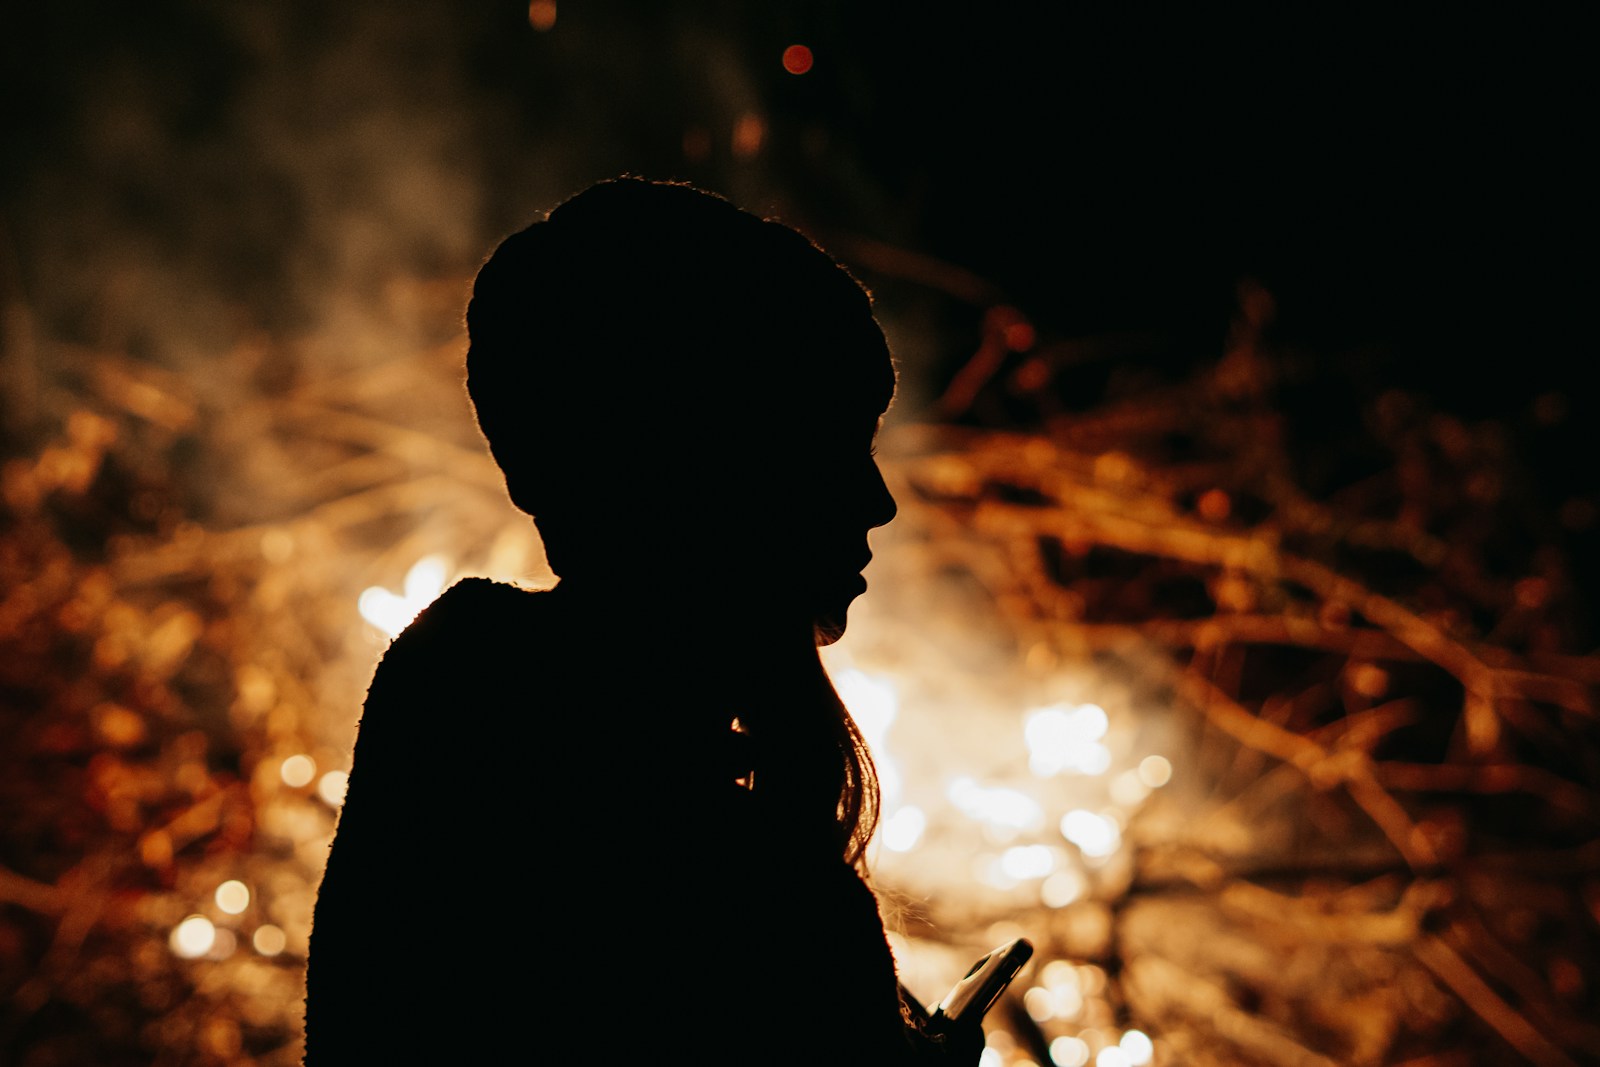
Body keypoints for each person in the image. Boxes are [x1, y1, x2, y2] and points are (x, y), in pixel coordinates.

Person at [302, 177, 984, 1064]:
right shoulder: (748, 902)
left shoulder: (451, 703)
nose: (878, 503)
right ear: (719, 472)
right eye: (834, 450)